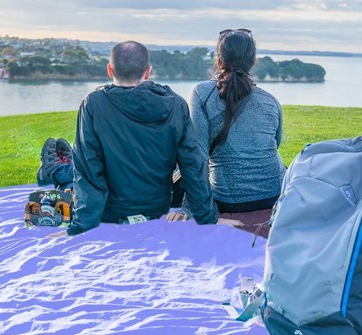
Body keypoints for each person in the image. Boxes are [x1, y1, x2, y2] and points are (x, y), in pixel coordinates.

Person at [38, 41, 241, 236]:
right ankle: (54, 169)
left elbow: (88, 170)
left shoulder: (93, 104)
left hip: (109, 213)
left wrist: (80, 226)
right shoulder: (177, 105)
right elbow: (193, 164)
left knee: (41, 205)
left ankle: (51, 170)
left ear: (110, 70)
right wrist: (209, 217)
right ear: (148, 71)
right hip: (156, 208)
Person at [168, 29, 285, 221]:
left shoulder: (202, 93)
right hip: (273, 194)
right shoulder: (270, 100)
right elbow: (274, 144)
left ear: (219, 60)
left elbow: (199, 155)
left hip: (228, 199)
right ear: (253, 61)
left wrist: (188, 208)